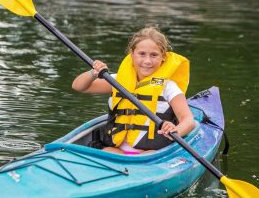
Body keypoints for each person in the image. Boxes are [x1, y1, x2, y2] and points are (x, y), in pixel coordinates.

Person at [72, 27, 195, 155]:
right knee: (107, 152)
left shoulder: (169, 87)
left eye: (154, 55)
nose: (147, 61)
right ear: (132, 54)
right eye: (142, 54)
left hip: (151, 153)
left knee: (146, 157)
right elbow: (79, 86)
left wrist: (175, 130)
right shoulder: (117, 81)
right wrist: (93, 73)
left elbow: (188, 120)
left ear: (163, 57)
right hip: (116, 150)